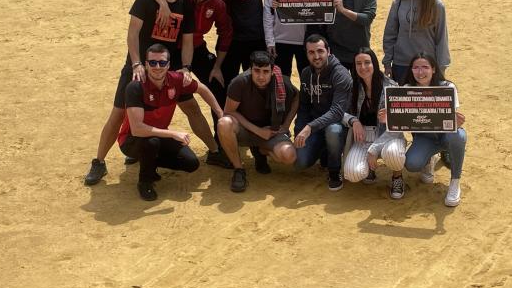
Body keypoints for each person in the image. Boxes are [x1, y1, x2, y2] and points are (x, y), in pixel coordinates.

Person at [84, 0, 226, 186]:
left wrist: (187, 68)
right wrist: (136, 64)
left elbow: (188, 42)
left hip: (165, 68)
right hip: (139, 66)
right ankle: (99, 162)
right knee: (119, 113)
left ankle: (215, 150)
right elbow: (132, 34)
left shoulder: (185, 4)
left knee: (191, 107)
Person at [139, 0, 233, 168]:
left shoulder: (216, 3)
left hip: (195, 50)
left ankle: (221, 142)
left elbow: (226, 31)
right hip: (171, 52)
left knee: (217, 88)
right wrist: (162, 2)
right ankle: (137, 144)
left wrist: (217, 66)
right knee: (160, 100)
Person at [119, 44, 224, 201]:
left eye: (162, 63)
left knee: (191, 163)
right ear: (146, 64)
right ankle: (145, 181)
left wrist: (220, 114)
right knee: (151, 143)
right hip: (131, 141)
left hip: (158, 134)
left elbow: (202, 89)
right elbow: (137, 129)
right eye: (152, 63)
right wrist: (173, 133)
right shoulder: (136, 87)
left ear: (168, 65)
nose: (157, 67)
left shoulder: (176, 80)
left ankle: (150, 162)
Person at [218, 51, 299, 192]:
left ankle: (260, 150)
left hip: (271, 131)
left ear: (272, 71)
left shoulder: (282, 82)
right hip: (246, 129)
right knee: (224, 123)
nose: (261, 76)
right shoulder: (239, 82)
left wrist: (285, 126)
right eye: (257, 71)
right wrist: (259, 131)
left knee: (288, 156)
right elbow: (229, 111)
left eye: (266, 71)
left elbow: (298, 97)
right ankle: (238, 169)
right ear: (250, 69)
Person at [402, 53, 467, 207]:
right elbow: (402, 120)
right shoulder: (406, 89)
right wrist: (390, 118)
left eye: (425, 67)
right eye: (416, 67)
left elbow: (452, 120)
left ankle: (455, 182)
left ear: (433, 69)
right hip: (424, 138)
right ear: (411, 70)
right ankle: (429, 158)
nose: (420, 72)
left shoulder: (447, 87)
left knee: (458, 136)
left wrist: (457, 122)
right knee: (412, 164)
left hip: (446, 136)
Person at [342, 47, 407, 199]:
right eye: (358, 63)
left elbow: (399, 124)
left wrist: (374, 149)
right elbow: (340, 112)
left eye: (367, 62)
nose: (363, 67)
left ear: (374, 64)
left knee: (394, 155)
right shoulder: (352, 86)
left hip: (388, 135)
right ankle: (369, 168)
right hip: (363, 136)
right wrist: (354, 120)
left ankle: (397, 177)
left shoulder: (390, 86)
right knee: (353, 173)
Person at [293, 34, 352, 191]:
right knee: (301, 161)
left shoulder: (340, 74)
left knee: (333, 131)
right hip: (315, 126)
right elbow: (304, 106)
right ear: (306, 54)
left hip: (338, 124)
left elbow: (337, 112)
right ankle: (325, 150)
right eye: (311, 52)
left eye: (320, 51)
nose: (316, 56)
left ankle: (334, 170)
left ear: (328, 51)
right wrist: (299, 130)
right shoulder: (306, 73)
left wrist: (309, 128)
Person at [382, 0, 450, 85]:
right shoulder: (398, 2)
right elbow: (390, 35)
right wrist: (387, 63)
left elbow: (441, 39)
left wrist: (441, 69)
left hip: (426, 67)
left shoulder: (437, 5)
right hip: (401, 64)